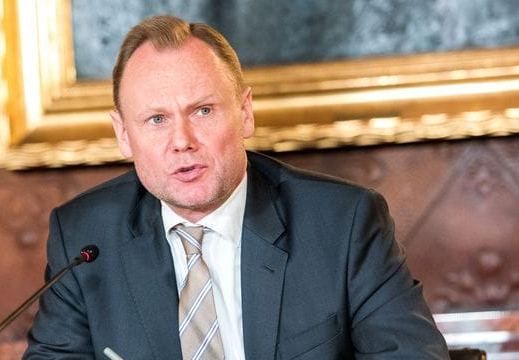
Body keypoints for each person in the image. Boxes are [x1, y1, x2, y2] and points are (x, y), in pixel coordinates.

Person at [24, 15, 449, 359]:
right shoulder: (85, 238)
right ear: (122, 134)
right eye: (156, 119)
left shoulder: (343, 225)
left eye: (203, 110)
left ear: (244, 113)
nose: (182, 141)